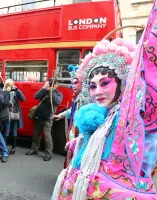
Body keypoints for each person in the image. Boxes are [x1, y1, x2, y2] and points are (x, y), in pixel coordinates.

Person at [51, 38, 157, 199]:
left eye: (105, 83)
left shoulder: (129, 117)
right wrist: (78, 142)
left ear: (122, 83)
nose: (97, 92)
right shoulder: (97, 115)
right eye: (93, 86)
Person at [26, 77, 63, 161]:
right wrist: (43, 88)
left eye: (54, 84)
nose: (53, 85)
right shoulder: (44, 91)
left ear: (57, 85)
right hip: (38, 116)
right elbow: (36, 96)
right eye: (51, 83)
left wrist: (52, 91)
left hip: (48, 119)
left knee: (47, 137)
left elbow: (57, 102)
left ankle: (48, 154)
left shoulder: (58, 94)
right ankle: (34, 149)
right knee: (36, 135)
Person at [53, 64, 82, 167]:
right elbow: (71, 111)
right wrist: (60, 115)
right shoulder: (78, 98)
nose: (73, 85)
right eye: (72, 83)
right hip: (74, 130)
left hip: (80, 133)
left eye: (76, 83)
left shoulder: (86, 99)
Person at [2, 79, 25, 155]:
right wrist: (7, 93)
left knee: (14, 131)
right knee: (7, 131)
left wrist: (17, 90)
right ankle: (4, 148)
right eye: (9, 85)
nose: (10, 87)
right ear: (6, 85)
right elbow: (4, 102)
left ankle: (13, 147)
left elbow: (23, 99)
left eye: (11, 85)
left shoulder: (15, 91)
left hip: (15, 114)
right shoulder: (4, 92)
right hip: (7, 114)